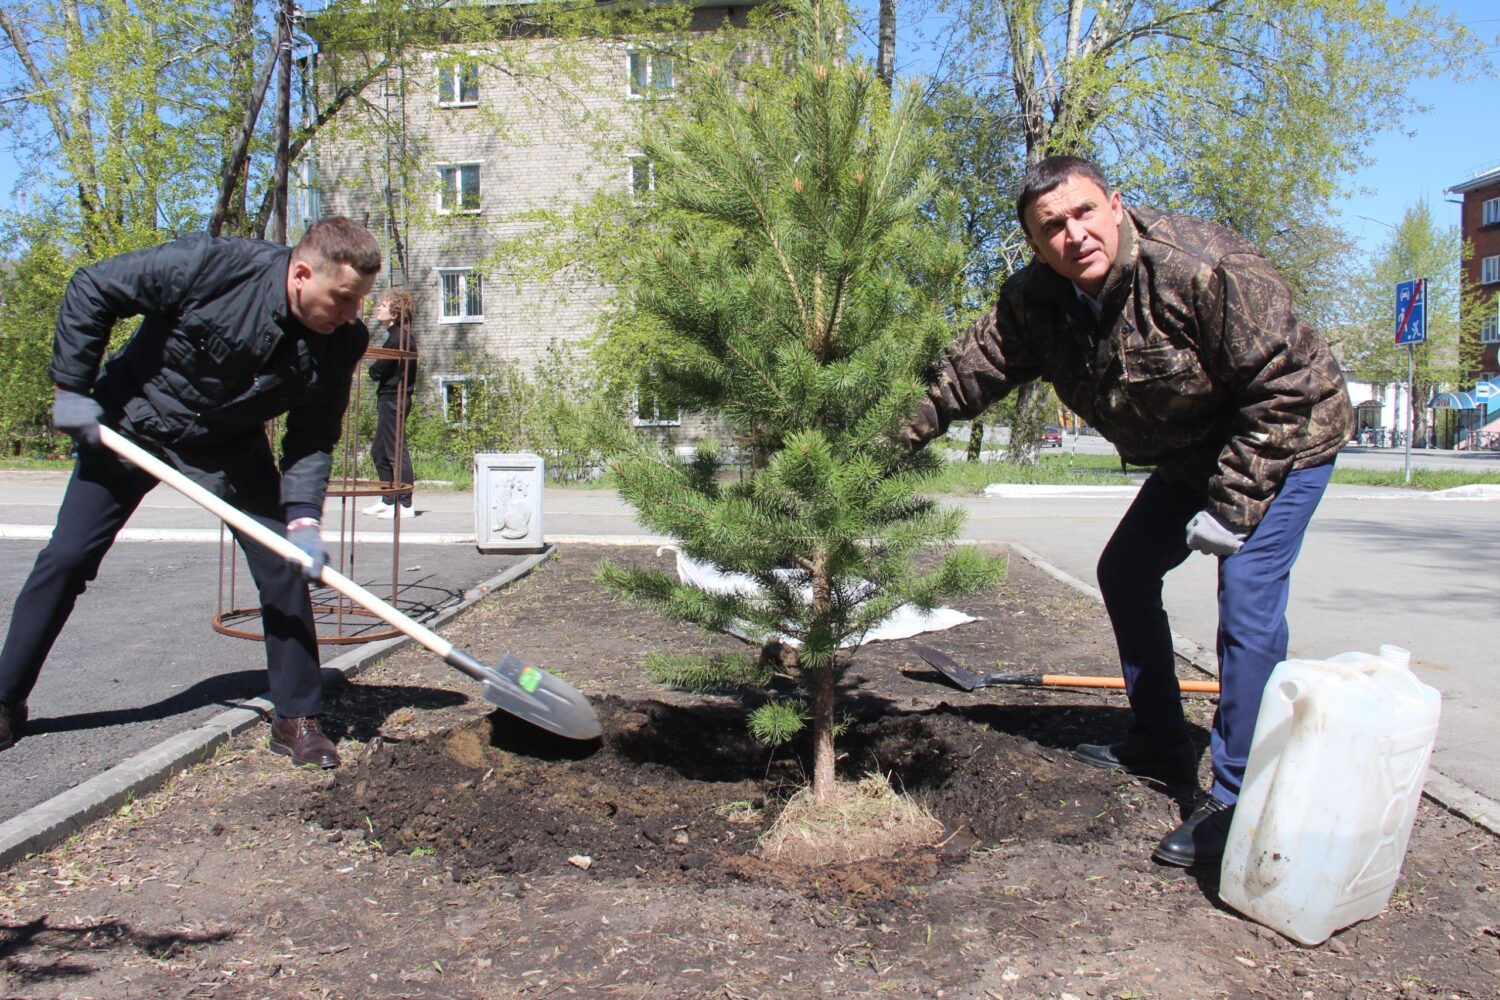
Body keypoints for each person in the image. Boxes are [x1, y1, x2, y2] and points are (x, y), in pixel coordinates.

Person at [902, 156, 1354, 868]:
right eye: (1051, 227)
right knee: (1125, 571)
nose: (1073, 235)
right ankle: (1158, 738)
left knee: (1247, 594)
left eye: (1083, 213)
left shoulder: (1202, 269)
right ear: (1034, 243)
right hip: (1190, 455)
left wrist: (1235, 506)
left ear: (1116, 205)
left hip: (1286, 441)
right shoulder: (1036, 303)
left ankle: (1242, 798)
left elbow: (1287, 385)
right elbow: (960, 376)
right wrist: (866, 448)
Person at [0, 217, 381, 769]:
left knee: (282, 563)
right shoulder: (212, 265)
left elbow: (313, 434)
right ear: (301, 273)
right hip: (131, 421)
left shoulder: (341, 341)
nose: (351, 313)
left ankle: (297, 716)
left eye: (358, 302)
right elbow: (94, 286)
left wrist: (302, 519)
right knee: (67, 557)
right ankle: (6, 700)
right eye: (342, 298)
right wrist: (71, 386)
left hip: (223, 445)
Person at [361, 288, 417, 519]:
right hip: (388, 398)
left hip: (395, 398)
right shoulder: (395, 337)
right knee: (379, 451)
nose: (378, 308)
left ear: (394, 313)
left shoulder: (399, 338)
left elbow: (379, 369)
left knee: (396, 450)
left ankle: (405, 504)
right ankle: (388, 498)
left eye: (383, 306)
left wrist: (374, 370)